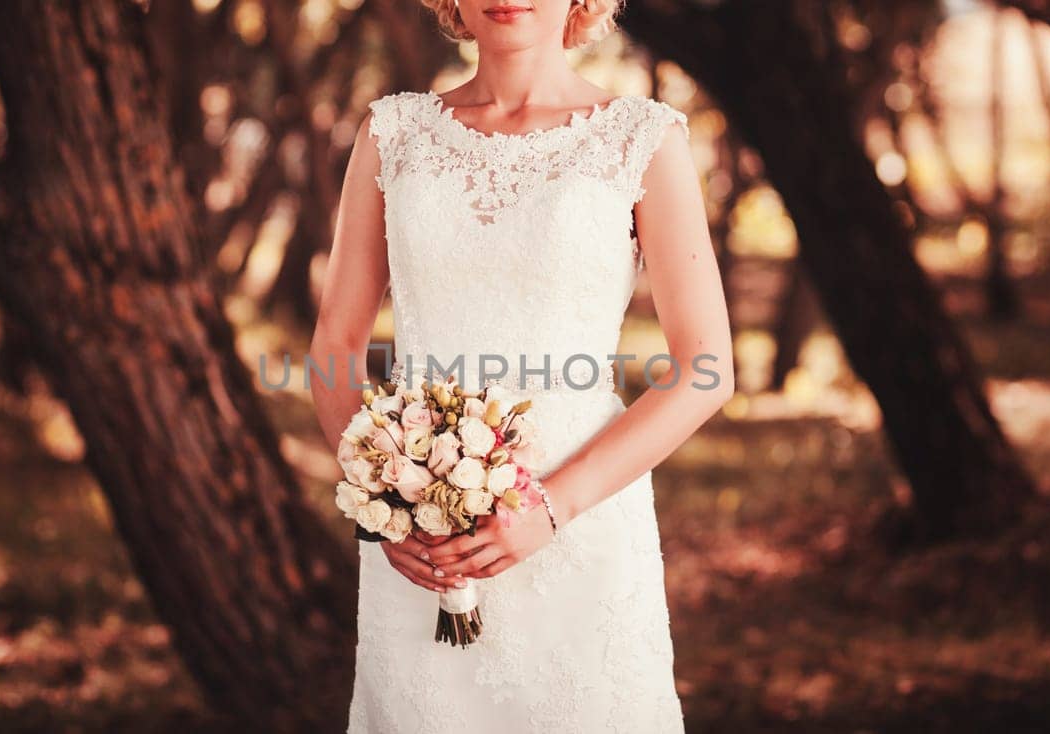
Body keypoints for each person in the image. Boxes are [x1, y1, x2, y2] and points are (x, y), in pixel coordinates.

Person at [308, 1, 733, 730]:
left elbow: (707, 367)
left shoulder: (642, 140)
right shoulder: (393, 135)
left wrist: (552, 507)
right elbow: (334, 354)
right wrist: (388, 509)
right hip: (424, 548)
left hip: (584, 530)